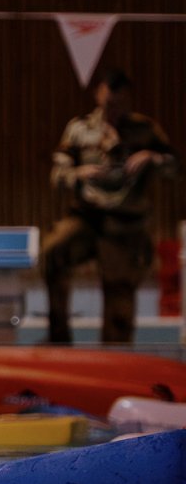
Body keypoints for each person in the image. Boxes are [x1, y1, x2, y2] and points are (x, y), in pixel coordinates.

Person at [44, 67, 178, 344]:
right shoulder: (79, 128)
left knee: (119, 293)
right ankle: (58, 340)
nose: (113, 110)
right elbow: (57, 174)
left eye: (119, 103)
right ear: (98, 95)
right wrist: (77, 173)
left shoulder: (145, 130)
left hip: (125, 222)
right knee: (53, 251)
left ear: (128, 99)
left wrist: (153, 157)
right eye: (109, 103)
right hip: (87, 216)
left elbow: (177, 168)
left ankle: (116, 351)